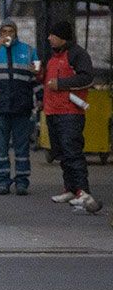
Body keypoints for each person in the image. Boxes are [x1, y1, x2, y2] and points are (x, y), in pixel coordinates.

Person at [40, 20, 100, 212]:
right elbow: (48, 81)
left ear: (62, 37)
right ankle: (71, 189)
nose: (49, 38)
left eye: (53, 35)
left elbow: (87, 78)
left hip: (70, 112)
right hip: (53, 110)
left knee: (73, 152)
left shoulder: (77, 54)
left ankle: (83, 191)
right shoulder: (53, 55)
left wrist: (61, 84)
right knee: (62, 153)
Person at [0, 19, 40, 195]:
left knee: (22, 147)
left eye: (10, 31)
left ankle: (22, 181)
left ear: (16, 32)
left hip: (22, 107)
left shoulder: (29, 51)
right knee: (0, 147)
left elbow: (37, 76)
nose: (7, 35)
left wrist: (40, 97)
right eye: (4, 31)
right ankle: (2, 181)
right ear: (0, 34)